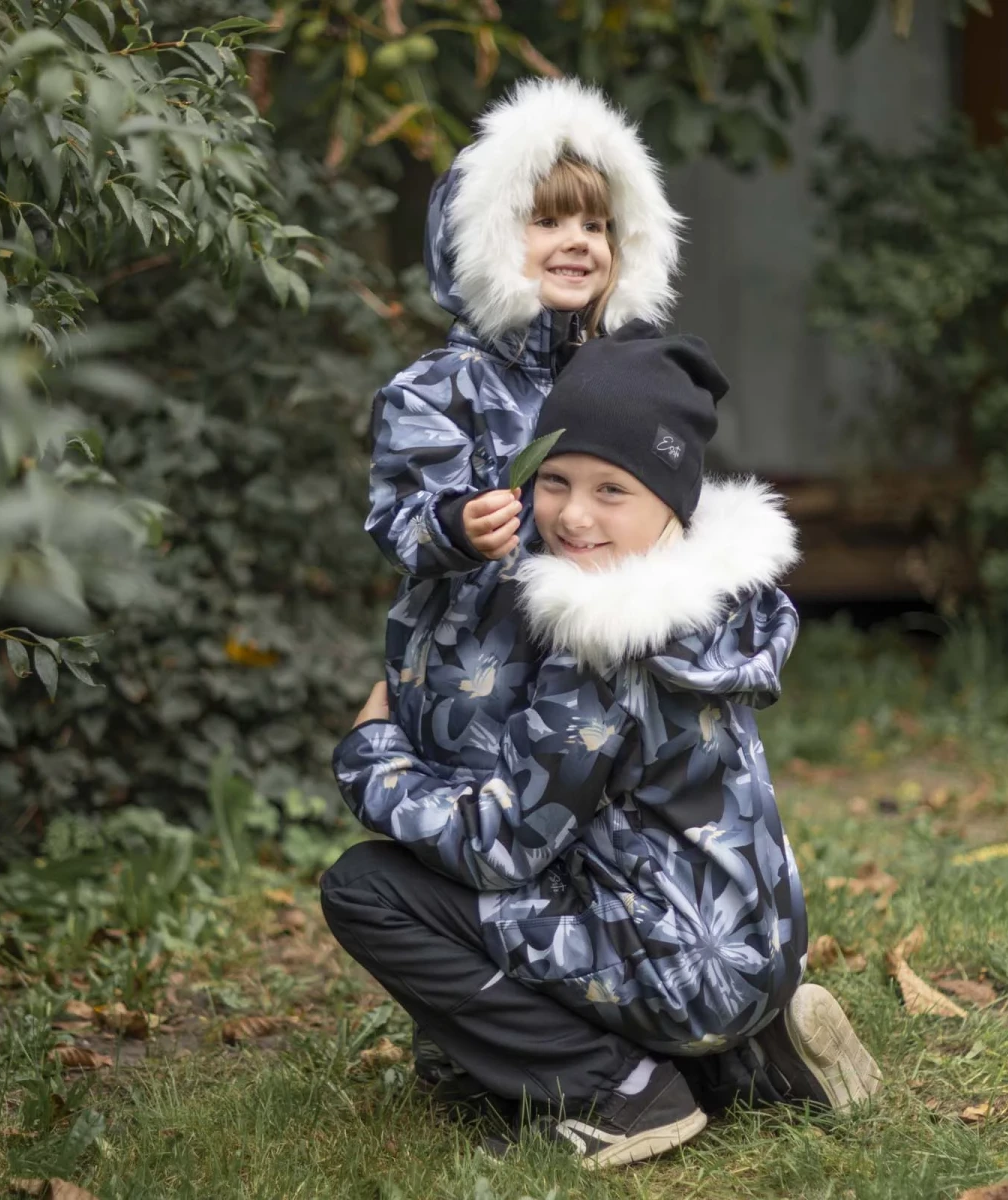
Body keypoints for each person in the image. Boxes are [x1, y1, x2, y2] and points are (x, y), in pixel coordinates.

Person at [322, 324, 882, 1170]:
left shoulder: (605, 639)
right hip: (757, 952)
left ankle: (616, 1090)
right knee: (582, 900)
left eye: (611, 489)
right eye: (554, 481)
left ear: (671, 503)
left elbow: (501, 846)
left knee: (367, 888)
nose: (573, 515)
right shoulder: (706, 607)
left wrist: (375, 760)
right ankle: (755, 1061)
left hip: (685, 971)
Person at [366, 76, 682, 745]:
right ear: (484, 242)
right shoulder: (441, 386)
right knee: (488, 799)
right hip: (472, 681)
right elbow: (397, 519)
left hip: (596, 675)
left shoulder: (623, 378)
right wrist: (456, 525)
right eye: (548, 222)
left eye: (595, 225)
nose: (579, 241)